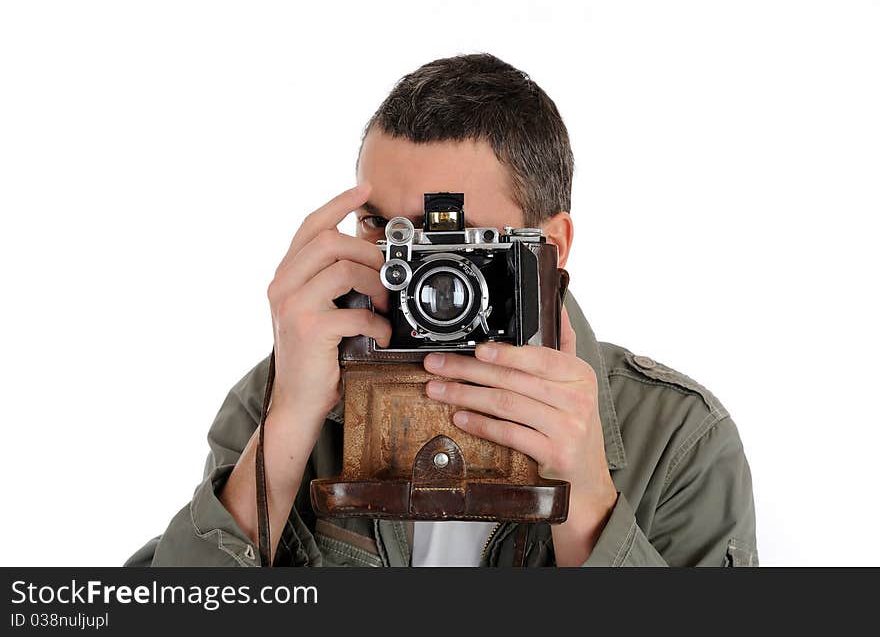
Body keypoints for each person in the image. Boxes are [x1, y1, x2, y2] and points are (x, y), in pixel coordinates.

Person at [126, 54, 757, 567]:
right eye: (383, 229)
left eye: (451, 241)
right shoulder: (278, 396)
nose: (423, 275)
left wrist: (588, 499)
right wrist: (288, 425)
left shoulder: (678, 438)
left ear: (552, 247)